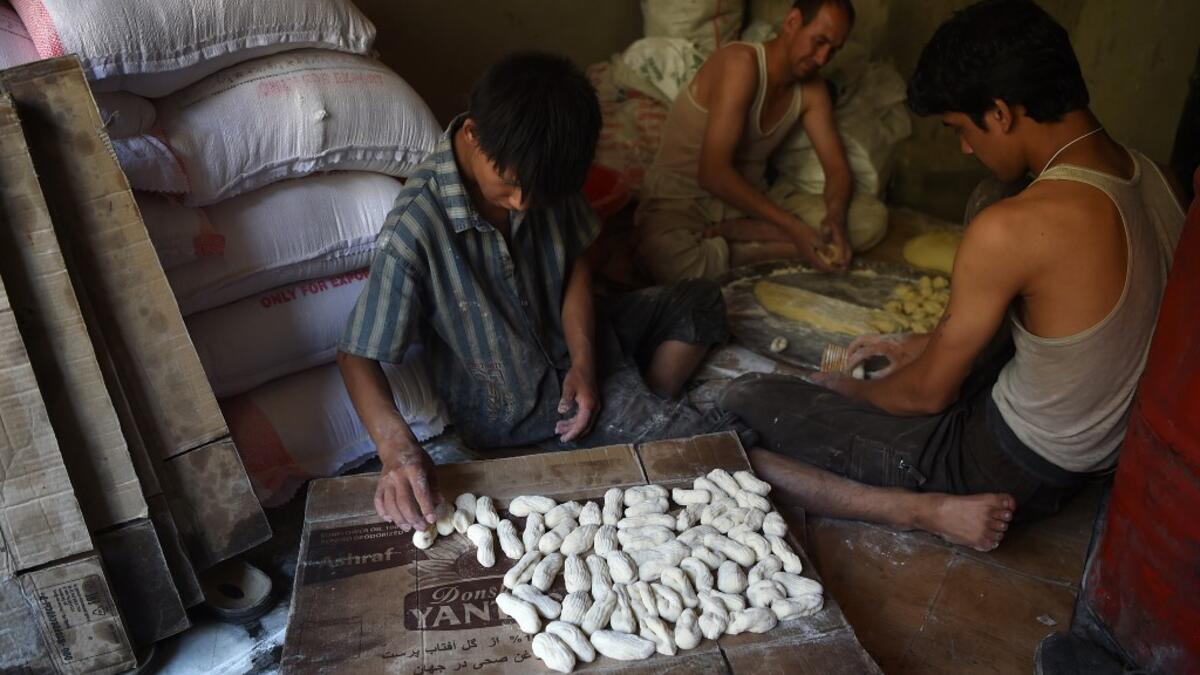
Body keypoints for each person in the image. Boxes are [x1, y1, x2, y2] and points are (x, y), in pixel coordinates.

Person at [717, 0, 1185, 551]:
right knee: (994, 197)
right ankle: (942, 355)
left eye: (962, 128)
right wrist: (928, 342)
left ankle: (923, 510)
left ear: (1002, 113)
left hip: (1013, 468)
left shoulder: (1020, 227)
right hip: (1101, 450)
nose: (965, 146)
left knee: (748, 400)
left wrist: (849, 393)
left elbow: (925, 398)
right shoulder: (1157, 177)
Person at [338, 52, 738, 531]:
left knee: (702, 301)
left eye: (537, 192)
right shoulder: (416, 230)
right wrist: (396, 449)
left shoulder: (546, 165)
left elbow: (577, 262)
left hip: (580, 342)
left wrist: (586, 365)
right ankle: (625, 424)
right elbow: (356, 355)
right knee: (711, 449)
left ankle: (631, 415)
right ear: (472, 135)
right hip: (524, 405)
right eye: (508, 186)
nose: (523, 203)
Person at [635, 0, 889, 284]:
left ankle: (748, 238)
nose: (822, 59)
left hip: (751, 202)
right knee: (675, 263)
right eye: (819, 42)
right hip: (684, 201)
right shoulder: (740, 64)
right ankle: (771, 246)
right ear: (792, 22)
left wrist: (835, 218)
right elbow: (712, 173)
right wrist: (793, 228)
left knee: (869, 220)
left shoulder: (813, 90)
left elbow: (837, 169)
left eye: (834, 50)